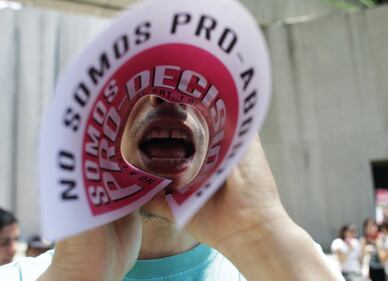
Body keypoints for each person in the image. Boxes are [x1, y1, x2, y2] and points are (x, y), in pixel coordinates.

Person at [0, 97, 342, 280]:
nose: (170, 95)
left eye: (196, 81)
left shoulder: (284, 267)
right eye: (144, 77)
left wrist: (260, 234)